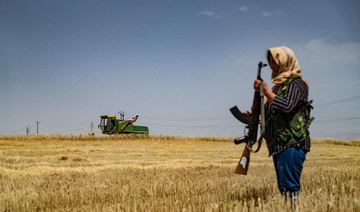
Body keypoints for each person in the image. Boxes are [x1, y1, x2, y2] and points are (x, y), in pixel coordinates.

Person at [253, 46, 312, 202]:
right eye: (271, 64)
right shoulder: (278, 88)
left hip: (292, 144)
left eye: (276, 64)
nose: (273, 67)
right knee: (285, 189)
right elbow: (274, 113)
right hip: (280, 144)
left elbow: (287, 106)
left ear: (286, 63)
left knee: (290, 189)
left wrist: (266, 92)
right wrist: (256, 115)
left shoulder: (297, 84)